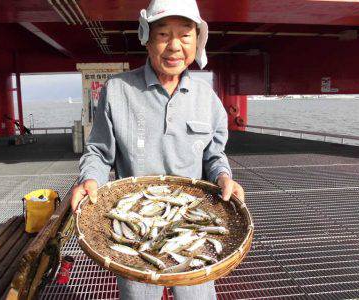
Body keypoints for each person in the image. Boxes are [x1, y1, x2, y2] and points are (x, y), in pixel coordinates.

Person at [71, 0, 245, 299]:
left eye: (185, 34)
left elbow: (214, 155)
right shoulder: (118, 90)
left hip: (193, 225)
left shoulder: (208, 98)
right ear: (147, 39)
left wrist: (224, 176)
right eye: (163, 34)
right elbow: (99, 153)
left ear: (197, 40)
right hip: (134, 223)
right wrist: (90, 179)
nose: (175, 46)